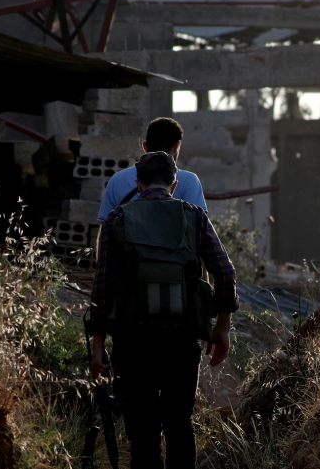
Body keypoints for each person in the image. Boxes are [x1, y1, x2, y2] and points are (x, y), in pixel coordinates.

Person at [88, 152, 238, 469]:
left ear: (138, 184)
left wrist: (98, 346)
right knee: (179, 426)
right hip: (181, 343)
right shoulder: (195, 217)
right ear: (174, 184)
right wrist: (222, 327)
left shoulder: (117, 219)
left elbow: (102, 287)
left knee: (143, 437)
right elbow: (225, 272)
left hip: (132, 344)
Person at [97, 117, 206, 222]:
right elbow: (199, 225)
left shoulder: (117, 180)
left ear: (144, 146)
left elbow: (105, 227)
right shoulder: (189, 181)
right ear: (177, 146)